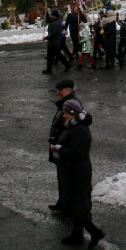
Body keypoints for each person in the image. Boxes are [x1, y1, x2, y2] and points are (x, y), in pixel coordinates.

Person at [50, 99, 105, 248]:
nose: (64, 116)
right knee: (76, 203)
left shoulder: (79, 130)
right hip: (72, 170)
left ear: (73, 113)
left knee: (79, 204)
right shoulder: (73, 126)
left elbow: (76, 153)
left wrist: (58, 149)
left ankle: (95, 232)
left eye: (66, 113)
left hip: (77, 172)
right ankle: (77, 234)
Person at [48, 80, 89, 213]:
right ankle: (63, 202)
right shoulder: (64, 103)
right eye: (57, 90)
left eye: (61, 89)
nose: (58, 92)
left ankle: (70, 208)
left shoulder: (72, 104)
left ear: (70, 90)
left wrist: (60, 144)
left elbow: (73, 126)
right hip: (60, 146)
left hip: (65, 148)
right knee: (62, 177)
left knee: (68, 180)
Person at [43, 9, 72, 75]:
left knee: (55, 55)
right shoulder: (54, 21)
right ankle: (50, 69)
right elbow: (48, 19)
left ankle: (66, 65)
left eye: (52, 15)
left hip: (55, 41)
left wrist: (47, 37)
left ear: (55, 16)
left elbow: (54, 33)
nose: (51, 16)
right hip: (52, 42)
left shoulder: (57, 23)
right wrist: (46, 12)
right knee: (54, 55)